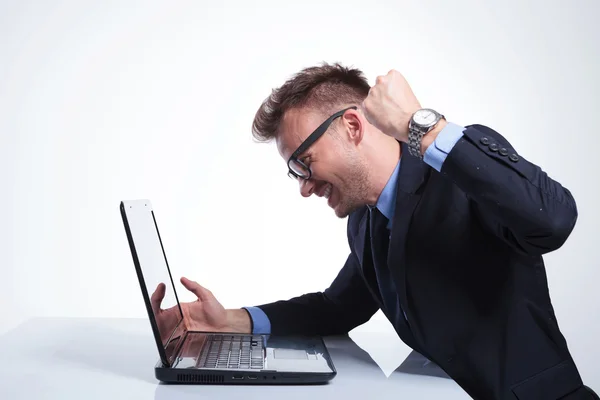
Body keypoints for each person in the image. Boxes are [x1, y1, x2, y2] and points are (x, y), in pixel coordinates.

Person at [152, 63, 598, 399]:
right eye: (294, 173)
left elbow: (552, 220)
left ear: (351, 125)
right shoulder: (366, 220)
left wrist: (421, 126)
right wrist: (231, 321)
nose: (305, 187)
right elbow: (336, 308)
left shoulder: (460, 170)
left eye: (303, 163)